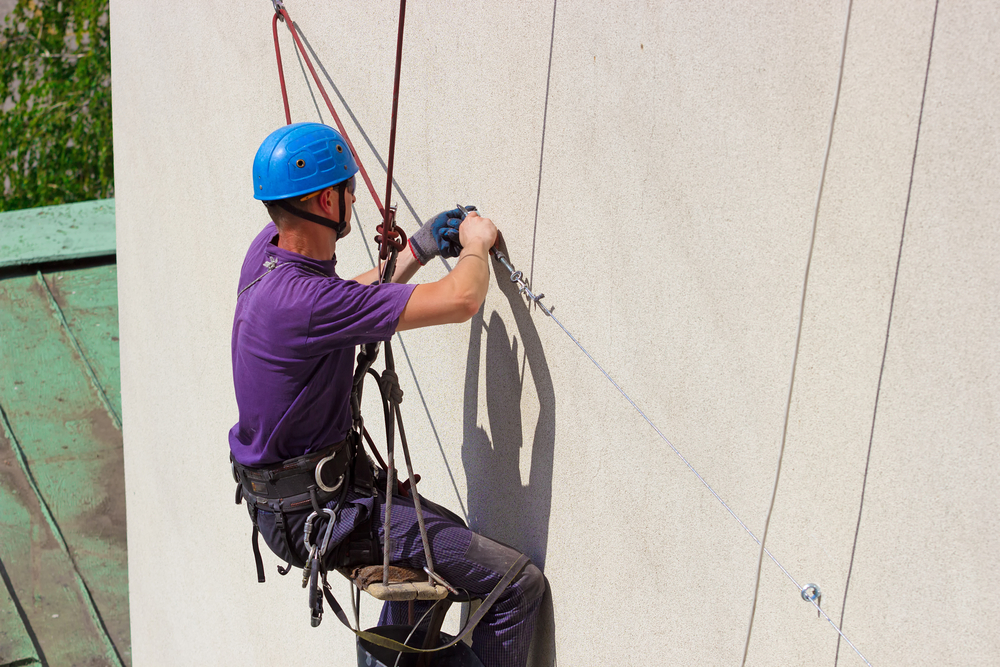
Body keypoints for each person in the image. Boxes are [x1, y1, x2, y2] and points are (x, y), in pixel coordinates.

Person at [229, 121, 544, 667]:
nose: (355, 197)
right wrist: (475, 245)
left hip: (293, 502)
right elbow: (462, 299)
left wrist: (418, 249)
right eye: (350, 188)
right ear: (326, 200)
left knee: (435, 555)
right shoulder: (306, 301)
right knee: (513, 585)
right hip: (327, 512)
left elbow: (345, 297)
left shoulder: (269, 255)